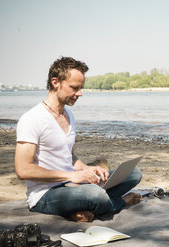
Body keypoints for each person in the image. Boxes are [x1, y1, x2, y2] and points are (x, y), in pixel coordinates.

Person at [15, 56, 142, 222]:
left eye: (81, 88)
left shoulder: (69, 115)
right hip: (45, 195)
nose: (79, 94)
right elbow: (23, 170)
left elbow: (70, 157)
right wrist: (71, 176)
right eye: (74, 88)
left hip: (73, 186)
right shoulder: (32, 118)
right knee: (94, 194)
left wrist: (88, 169)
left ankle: (83, 208)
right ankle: (120, 202)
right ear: (55, 82)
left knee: (133, 173)